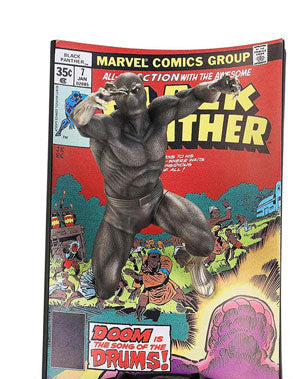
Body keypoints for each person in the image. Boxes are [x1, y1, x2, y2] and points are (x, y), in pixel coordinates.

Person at [71, 72, 242, 300]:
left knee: (204, 243)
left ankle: (193, 263)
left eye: (136, 89)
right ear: (115, 96)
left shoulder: (160, 113)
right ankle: (99, 270)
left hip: (157, 200)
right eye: (124, 92)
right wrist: (92, 101)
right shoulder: (109, 127)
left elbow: (194, 96)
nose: (132, 96)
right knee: (105, 289)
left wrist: (216, 86)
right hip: (120, 214)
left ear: (145, 91)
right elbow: (80, 122)